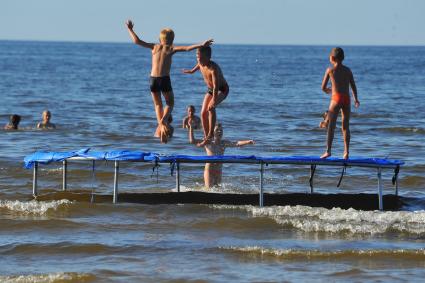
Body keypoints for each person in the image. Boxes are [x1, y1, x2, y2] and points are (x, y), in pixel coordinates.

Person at [125, 20, 213, 143]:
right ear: (172, 40)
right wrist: (201, 44)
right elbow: (187, 48)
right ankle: (163, 122)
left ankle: (161, 126)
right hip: (164, 79)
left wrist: (130, 29)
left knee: (157, 105)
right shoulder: (171, 48)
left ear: (160, 39)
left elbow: (137, 41)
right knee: (170, 103)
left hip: (152, 79)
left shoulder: (154, 47)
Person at [182, 46, 229, 146]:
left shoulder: (213, 69)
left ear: (209, 57)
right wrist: (191, 71)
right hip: (211, 90)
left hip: (222, 89)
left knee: (211, 108)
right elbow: (197, 66)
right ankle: (207, 136)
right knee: (203, 113)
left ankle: (210, 134)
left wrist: (214, 101)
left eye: (202, 58)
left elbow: (216, 86)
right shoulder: (200, 62)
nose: (200, 61)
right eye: (198, 58)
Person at [320, 47, 360, 159]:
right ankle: (346, 152)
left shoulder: (330, 70)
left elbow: (323, 87)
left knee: (331, 126)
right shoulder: (348, 70)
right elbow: (353, 85)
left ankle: (328, 151)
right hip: (346, 99)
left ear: (332, 58)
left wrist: (329, 90)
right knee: (345, 126)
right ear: (343, 58)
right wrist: (356, 99)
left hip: (336, 99)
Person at [188, 123, 254, 188]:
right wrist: (191, 127)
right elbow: (192, 141)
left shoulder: (224, 143)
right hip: (209, 169)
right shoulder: (208, 142)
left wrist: (247, 142)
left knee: (217, 191)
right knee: (209, 190)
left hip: (219, 170)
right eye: (217, 130)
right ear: (212, 132)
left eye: (221, 130)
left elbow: (236, 143)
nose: (219, 131)